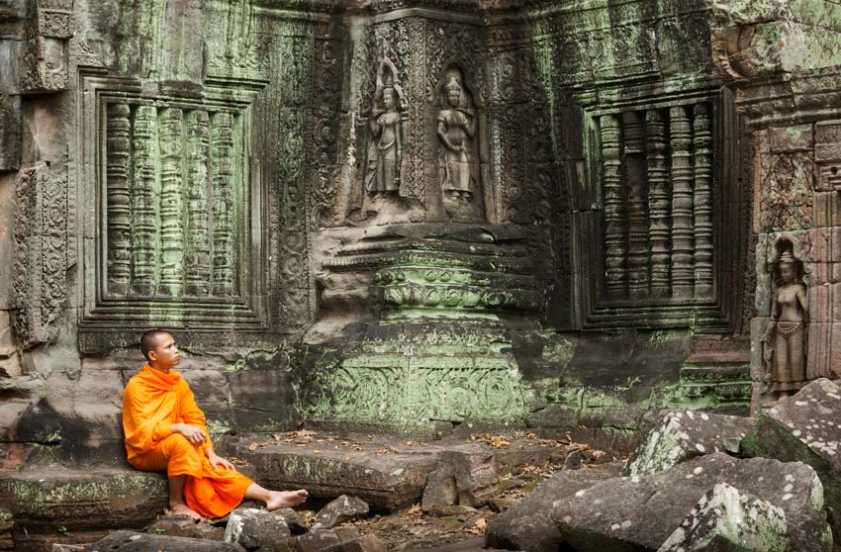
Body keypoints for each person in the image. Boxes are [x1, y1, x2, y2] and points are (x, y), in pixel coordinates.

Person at [122, 329, 308, 519]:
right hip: (146, 452)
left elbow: (195, 419)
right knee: (182, 443)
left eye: (175, 344)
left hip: (175, 447)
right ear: (153, 355)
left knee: (214, 466)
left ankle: (270, 496)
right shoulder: (137, 386)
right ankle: (176, 503)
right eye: (169, 347)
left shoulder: (178, 383)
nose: (176, 350)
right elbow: (140, 433)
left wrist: (210, 453)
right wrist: (177, 427)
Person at [762, 248, 810, 404]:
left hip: (796, 327)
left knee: (795, 359)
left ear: (794, 271)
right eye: (782, 272)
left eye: (787, 271)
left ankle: (797, 390)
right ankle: (783, 393)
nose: (784, 275)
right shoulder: (779, 290)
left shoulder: (799, 289)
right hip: (780, 328)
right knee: (780, 360)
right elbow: (774, 313)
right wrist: (769, 329)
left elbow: (807, 307)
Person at [437, 74, 476, 201]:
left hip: (461, 148)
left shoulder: (461, 115)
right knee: (452, 167)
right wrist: (450, 146)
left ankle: (464, 191)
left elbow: (470, 132)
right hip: (449, 147)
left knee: (464, 168)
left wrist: (474, 118)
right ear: (446, 97)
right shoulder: (443, 113)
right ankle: (453, 191)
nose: (454, 98)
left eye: (456, 96)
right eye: (452, 95)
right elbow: (440, 132)